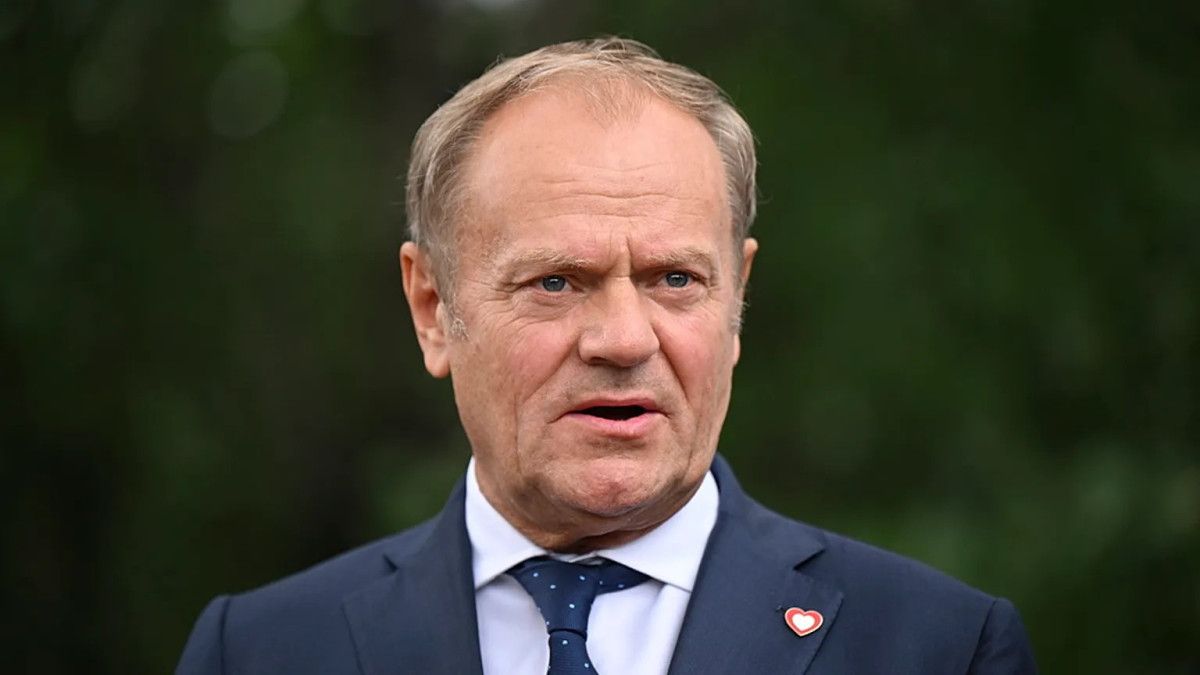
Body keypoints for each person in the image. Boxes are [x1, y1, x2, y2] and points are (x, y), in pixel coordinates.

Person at [177, 37, 1037, 674]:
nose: (625, 339)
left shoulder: (941, 648)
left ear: (737, 298)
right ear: (433, 308)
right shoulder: (257, 651)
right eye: (556, 281)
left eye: (675, 278)